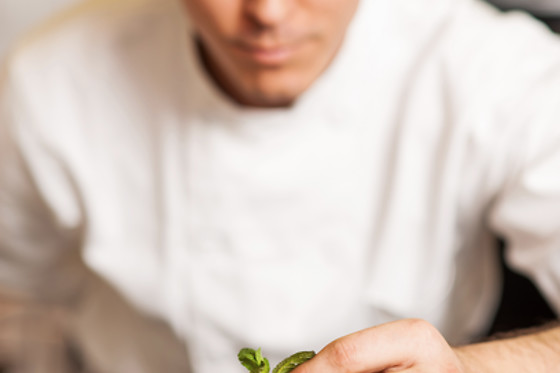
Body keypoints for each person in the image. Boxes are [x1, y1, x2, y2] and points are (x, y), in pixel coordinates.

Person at [1, 0, 560, 372]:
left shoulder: (494, 71)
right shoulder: (49, 81)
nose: (267, 12)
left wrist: (466, 368)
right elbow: (20, 304)